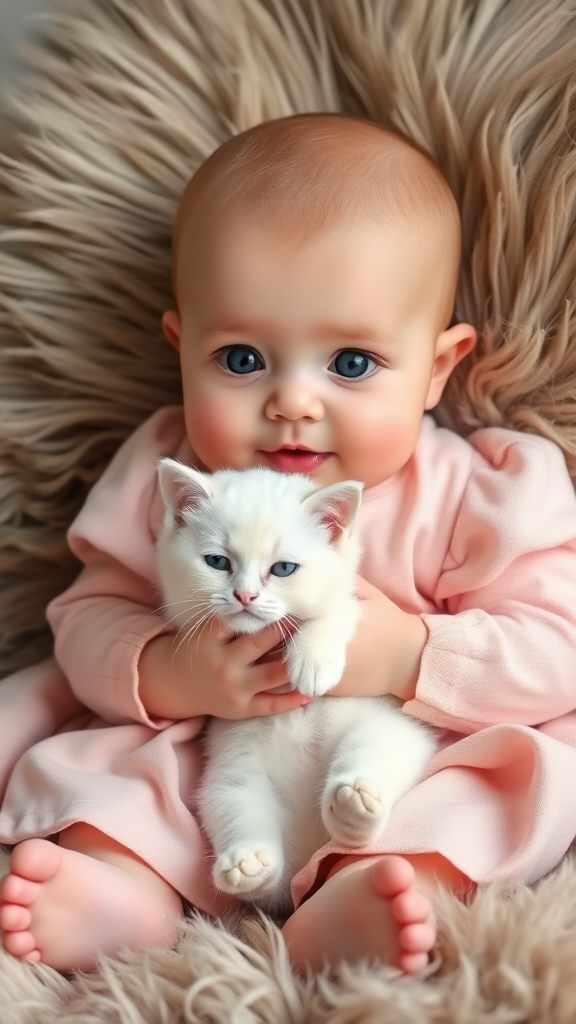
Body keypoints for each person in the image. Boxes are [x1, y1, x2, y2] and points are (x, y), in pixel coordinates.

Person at [2, 112, 576, 974]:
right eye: (241, 360)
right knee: (116, 765)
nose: (293, 403)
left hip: (406, 750)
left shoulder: (482, 487)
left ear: (437, 366)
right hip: (205, 745)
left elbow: (558, 652)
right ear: (182, 348)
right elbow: (88, 617)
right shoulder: (170, 474)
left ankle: (374, 884)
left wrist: (414, 655)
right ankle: (126, 886)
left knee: (502, 776)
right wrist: (169, 671)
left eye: (350, 364)